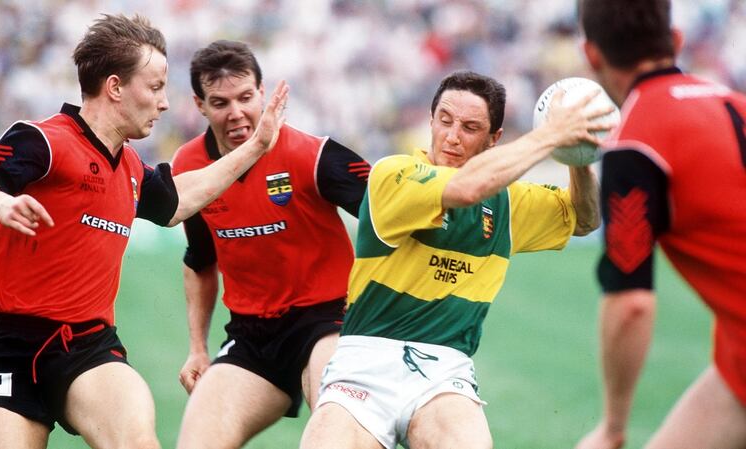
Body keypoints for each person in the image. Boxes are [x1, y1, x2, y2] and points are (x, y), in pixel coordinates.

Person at [0, 15, 288, 449]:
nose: (164, 103)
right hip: (12, 346)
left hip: (88, 347)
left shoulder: (129, 166)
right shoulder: (42, 141)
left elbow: (178, 201)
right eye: (155, 87)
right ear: (115, 87)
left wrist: (257, 146)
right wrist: (2, 203)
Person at [299, 69, 608, 449]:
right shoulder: (393, 175)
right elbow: (466, 188)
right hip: (363, 365)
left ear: (494, 139)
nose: (452, 136)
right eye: (444, 120)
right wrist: (551, 134)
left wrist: (578, 154)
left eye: (470, 127)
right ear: (430, 121)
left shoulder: (509, 204)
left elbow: (585, 218)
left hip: (443, 373)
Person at [171, 40, 370, 449]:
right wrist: (197, 348)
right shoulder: (189, 167)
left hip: (330, 320)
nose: (236, 112)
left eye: (245, 97)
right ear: (199, 105)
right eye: (220, 102)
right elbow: (200, 260)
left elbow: (391, 212)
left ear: (262, 93)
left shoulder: (314, 155)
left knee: (335, 434)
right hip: (251, 334)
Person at [574, 1, 746, 448]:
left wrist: (612, 427)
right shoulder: (734, 101)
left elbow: (631, 303)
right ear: (676, 41)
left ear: (592, 55)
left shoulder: (636, 141)